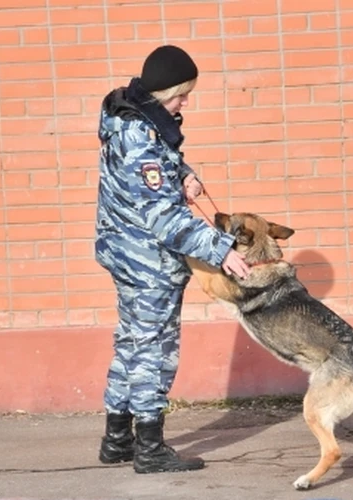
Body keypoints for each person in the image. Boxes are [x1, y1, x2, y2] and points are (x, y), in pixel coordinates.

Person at [93, 44, 251, 474]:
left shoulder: (133, 118)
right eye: (182, 94)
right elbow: (164, 218)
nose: (185, 102)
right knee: (153, 349)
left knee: (130, 341)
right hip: (147, 260)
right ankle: (149, 447)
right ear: (163, 90)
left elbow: (159, 168)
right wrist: (223, 251)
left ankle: (117, 438)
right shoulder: (139, 134)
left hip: (124, 249)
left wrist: (184, 175)